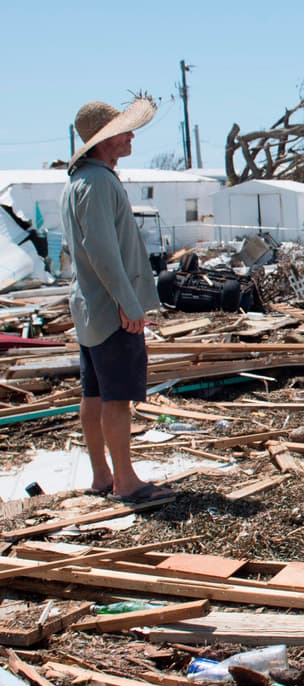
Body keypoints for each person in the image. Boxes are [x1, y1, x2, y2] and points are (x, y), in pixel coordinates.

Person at [61, 95, 175, 504]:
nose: (130, 137)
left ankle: (101, 475)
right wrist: (129, 304)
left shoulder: (79, 181)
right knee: (117, 398)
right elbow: (103, 251)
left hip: (91, 307)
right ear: (104, 140)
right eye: (124, 132)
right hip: (110, 309)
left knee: (93, 394)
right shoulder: (96, 183)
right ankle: (125, 481)